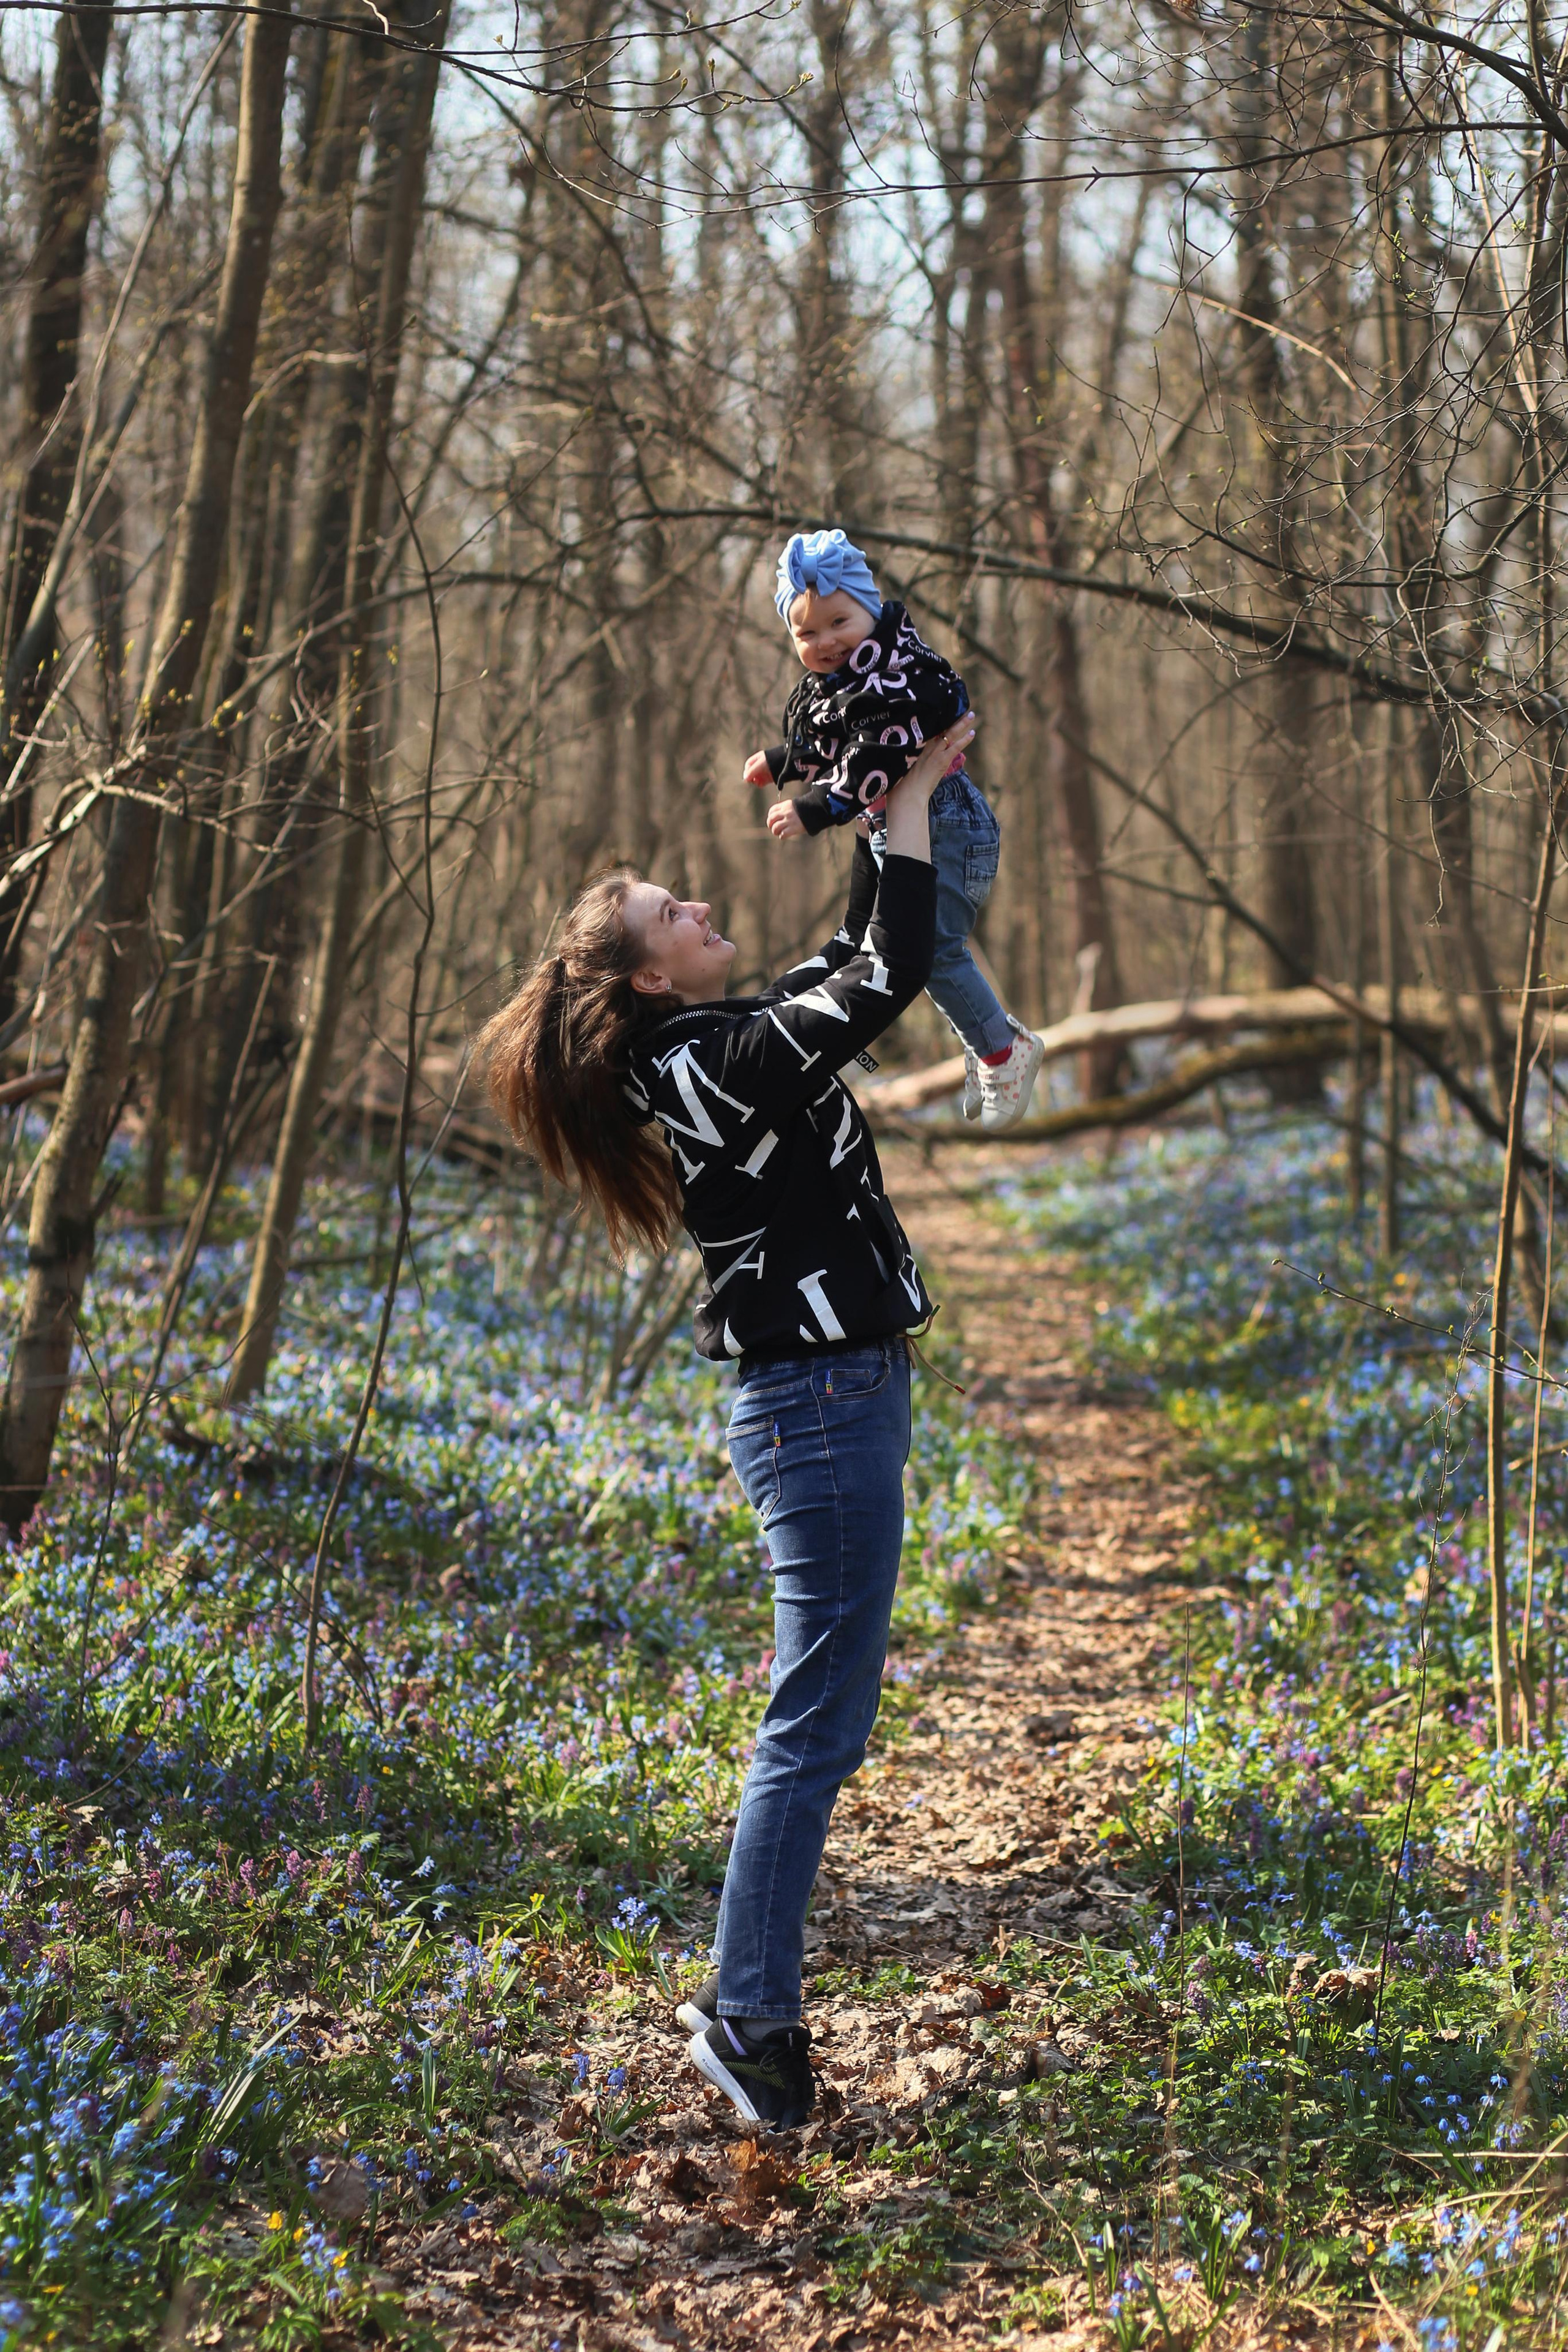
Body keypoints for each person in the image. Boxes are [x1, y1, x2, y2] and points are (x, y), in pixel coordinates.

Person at [478, 714, 976, 2130]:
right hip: (816, 1400)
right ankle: (747, 2018)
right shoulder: (697, 1062)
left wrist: (880, 800)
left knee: (819, 1717)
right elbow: (882, 972)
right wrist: (912, 801)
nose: (697, 907)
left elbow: (839, 970)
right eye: (668, 912)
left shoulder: (707, 1045)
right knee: (809, 1726)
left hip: (829, 1391)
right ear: (644, 971)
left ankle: (748, 2008)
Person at [745, 527, 1046, 1134]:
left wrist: (817, 808)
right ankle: (988, 1039)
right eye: (806, 632)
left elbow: (873, 756)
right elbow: (835, 743)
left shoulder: (893, 678)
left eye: (838, 622)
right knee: (892, 950)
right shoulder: (850, 681)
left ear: (871, 608)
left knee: (931, 950)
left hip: (946, 825)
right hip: (910, 827)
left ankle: (1001, 1051)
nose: (824, 641)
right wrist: (784, 761)